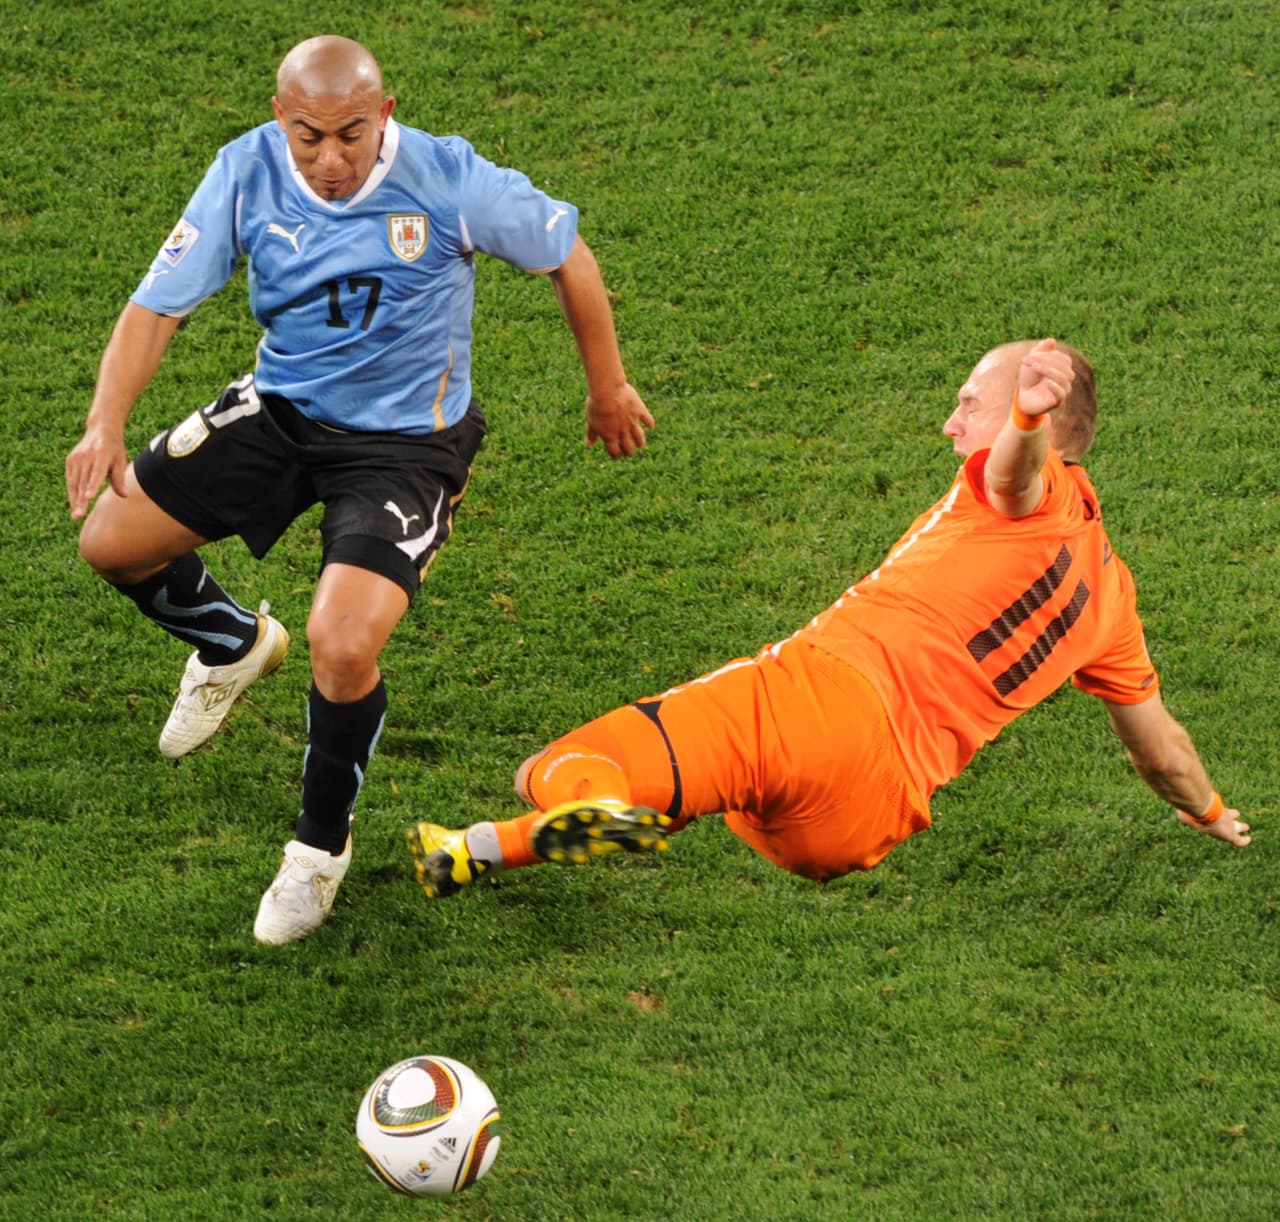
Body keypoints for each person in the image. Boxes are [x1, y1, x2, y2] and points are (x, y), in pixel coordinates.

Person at [63, 35, 654, 945]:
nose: (331, 160)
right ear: (280, 120)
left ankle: (317, 849)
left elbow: (567, 256)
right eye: (309, 138)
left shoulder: (448, 180)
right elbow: (157, 308)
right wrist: (105, 421)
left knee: (341, 644)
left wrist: (607, 387)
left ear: (384, 115)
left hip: (405, 450)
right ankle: (232, 644)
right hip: (281, 412)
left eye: (350, 135)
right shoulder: (245, 172)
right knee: (109, 544)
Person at [407, 337, 1250, 900]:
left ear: (1047, 428)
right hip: (863, 821)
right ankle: (467, 852)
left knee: (563, 768)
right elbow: (1161, 751)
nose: (951, 422)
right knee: (693, 779)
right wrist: (1208, 809)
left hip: (821, 704)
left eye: (970, 402)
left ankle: (591, 805)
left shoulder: (1033, 491)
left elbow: (1014, 474)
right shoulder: (1114, 601)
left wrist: (1026, 416)